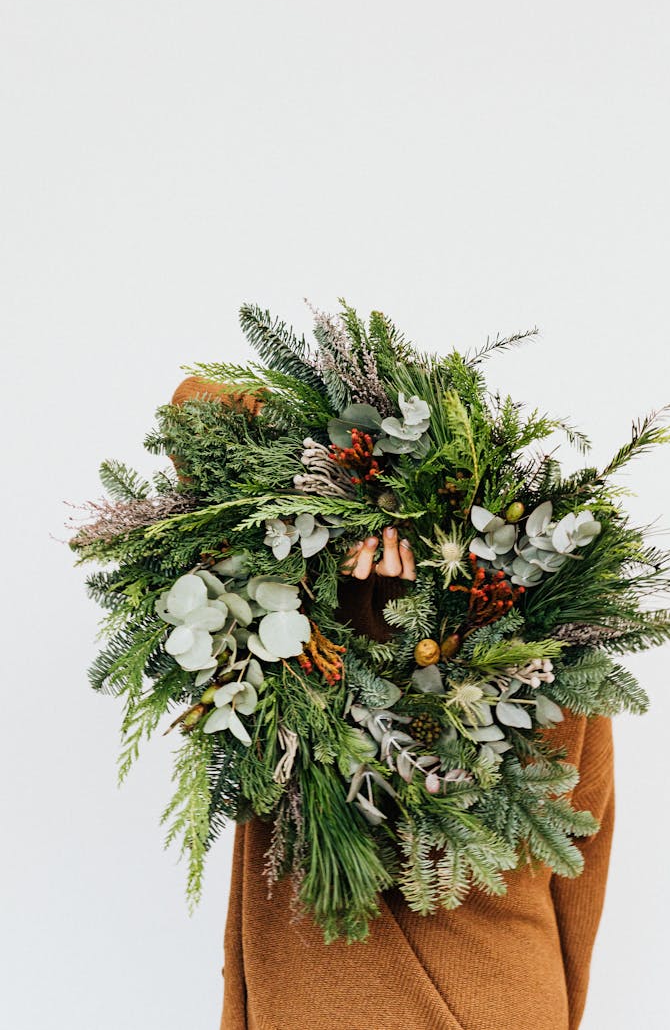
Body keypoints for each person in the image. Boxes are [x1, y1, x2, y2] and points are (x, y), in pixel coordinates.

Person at [171, 378, 615, 1030]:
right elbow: (582, 855)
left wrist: (332, 477)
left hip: (332, 997)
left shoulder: (281, 614)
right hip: (508, 988)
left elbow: (194, 414)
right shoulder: (553, 635)